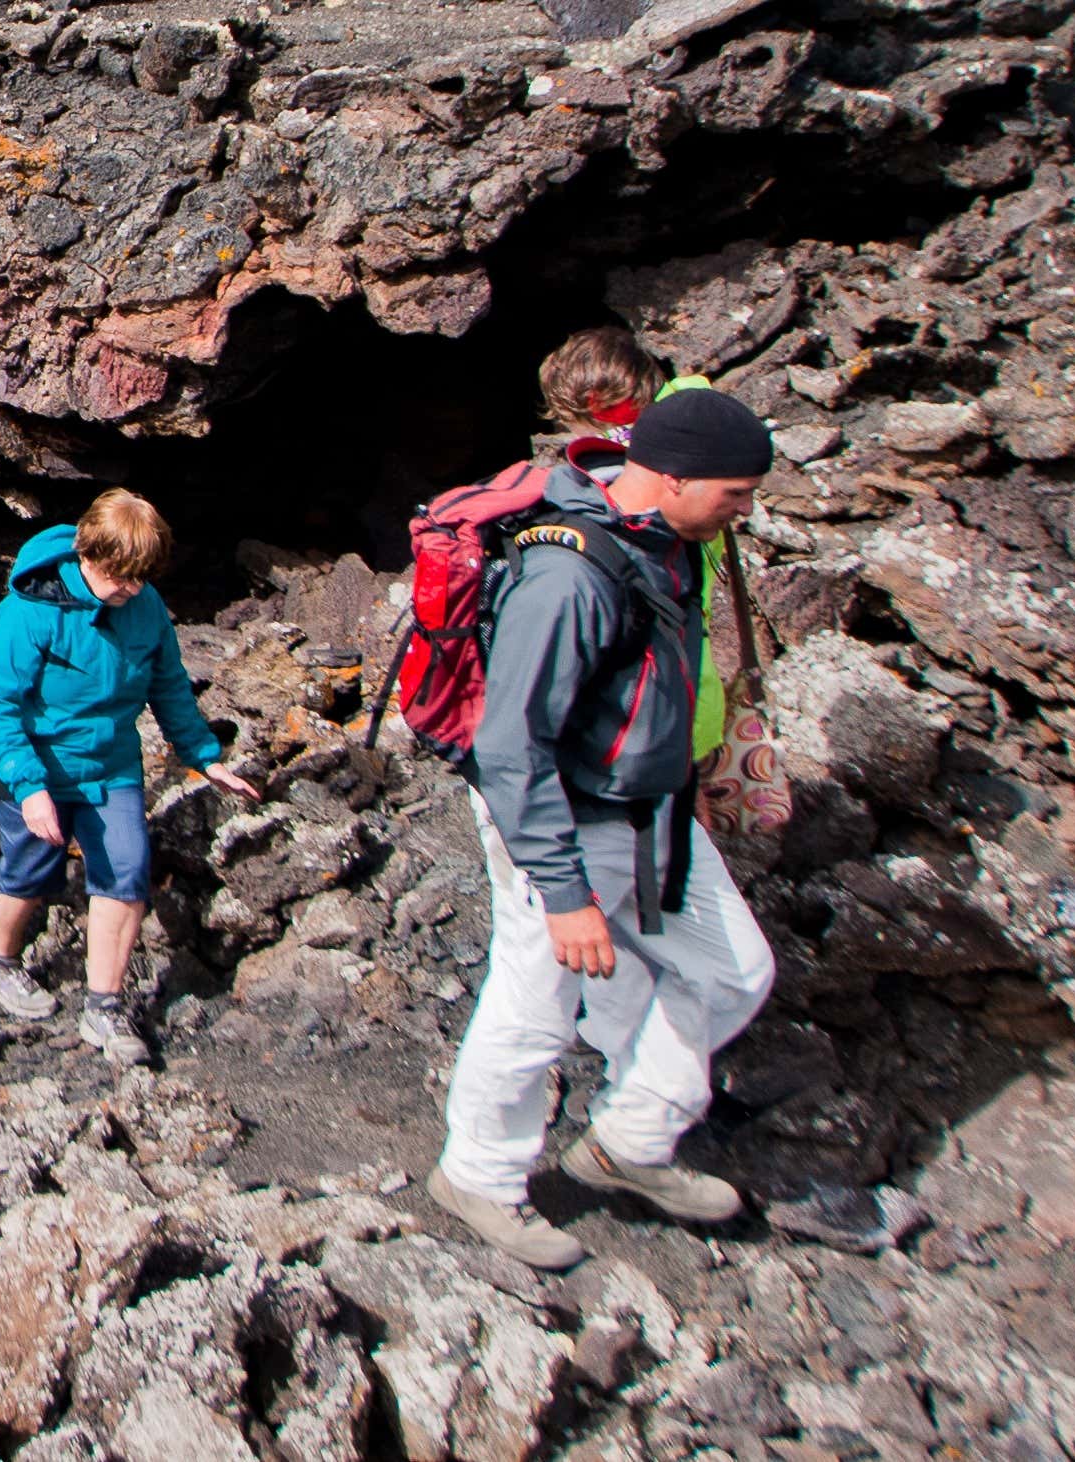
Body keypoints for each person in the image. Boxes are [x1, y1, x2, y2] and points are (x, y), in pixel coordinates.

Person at [427, 386, 782, 1273]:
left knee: (734, 968)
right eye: (734, 493)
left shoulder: (673, 538)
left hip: (655, 810)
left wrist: (681, 778)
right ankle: (477, 1174)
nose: (745, 511)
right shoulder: (570, 576)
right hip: (569, 822)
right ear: (668, 476)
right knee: (537, 1003)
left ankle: (632, 1139)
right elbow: (513, 748)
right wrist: (565, 892)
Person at [0, 488, 259, 1062]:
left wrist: (205, 756)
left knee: (126, 873)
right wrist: (30, 789)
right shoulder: (30, 608)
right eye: (121, 579)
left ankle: (104, 1007)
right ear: (88, 556)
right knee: (30, 873)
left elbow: (169, 685)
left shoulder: (145, 606)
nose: (130, 591)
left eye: (140, 580)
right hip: (37, 765)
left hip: (111, 766)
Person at [539, 327, 738, 768]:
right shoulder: (707, 427)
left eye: (580, 424)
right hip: (693, 695)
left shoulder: (651, 477)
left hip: (657, 713)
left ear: (600, 405)